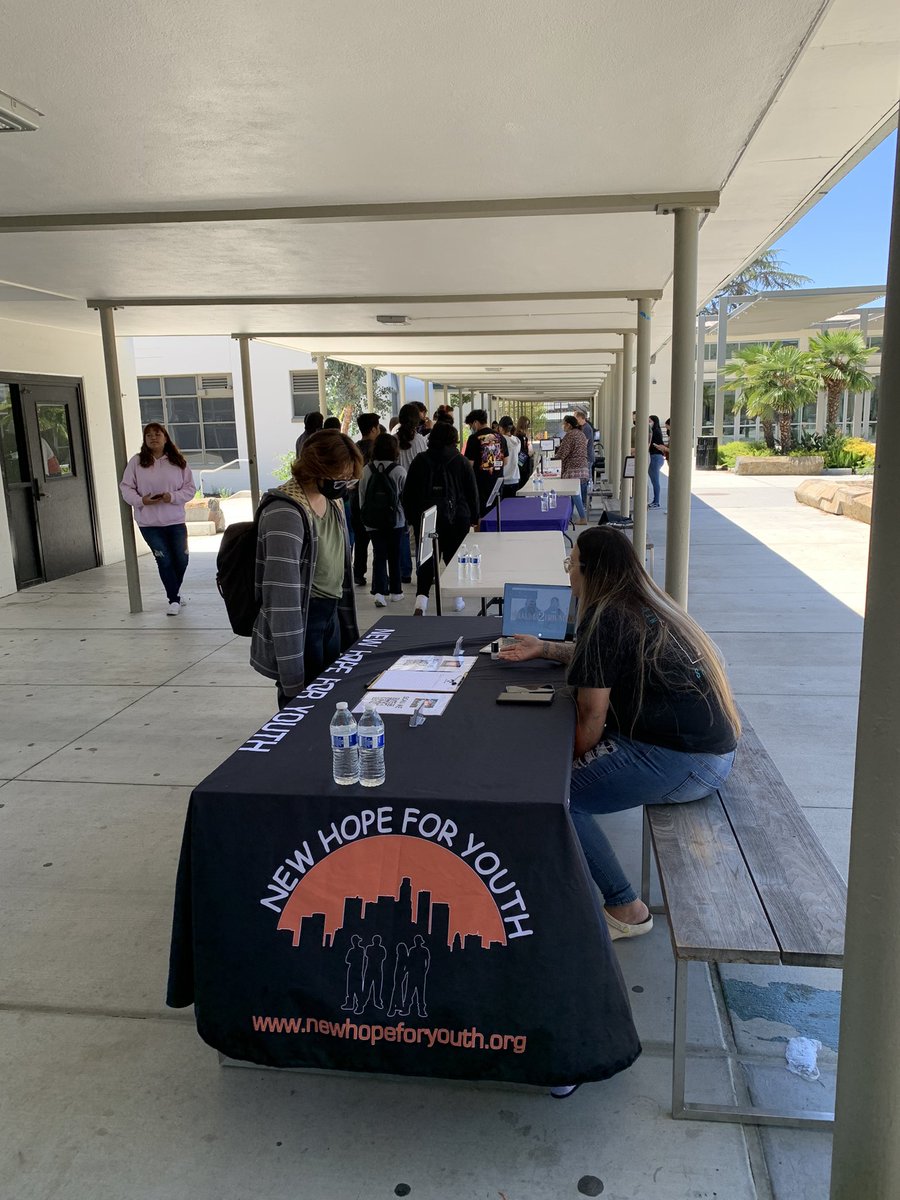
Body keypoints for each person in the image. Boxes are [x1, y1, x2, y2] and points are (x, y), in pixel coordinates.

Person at [500, 527, 739, 945]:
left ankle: (624, 908)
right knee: (559, 783)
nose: (568, 574)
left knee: (556, 797)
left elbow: (592, 716)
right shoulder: (644, 601)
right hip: (708, 751)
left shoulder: (606, 615)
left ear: (588, 571)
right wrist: (546, 649)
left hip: (686, 760)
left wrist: (560, 766)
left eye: (570, 565)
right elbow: (604, 656)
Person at [251, 430, 363, 708]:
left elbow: (341, 573)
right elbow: (282, 599)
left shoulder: (332, 502)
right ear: (316, 469)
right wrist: (292, 679)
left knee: (332, 705)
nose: (344, 485)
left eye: (348, 479)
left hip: (330, 616)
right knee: (303, 709)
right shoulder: (285, 513)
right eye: (340, 477)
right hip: (302, 621)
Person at [402, 420, 479, 616]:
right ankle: (457, 598)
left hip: (427, 517)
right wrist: (474, 517)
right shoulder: (460, 461)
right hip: (457, 517)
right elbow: (472, 492)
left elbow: (408, 493)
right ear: (453, 439)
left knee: (426, 558)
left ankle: (421, 601)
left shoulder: (420, 460)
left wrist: (413, 518)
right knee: (454, 557)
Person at [119, 423, 196, 615]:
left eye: (157, 434)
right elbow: (126, 487)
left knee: (182, 559)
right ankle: (174, 599)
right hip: (150, 524)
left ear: (165, 437)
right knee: (164, 560)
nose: (153, 438)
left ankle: (175, 591)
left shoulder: (178, 461)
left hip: (175, 521)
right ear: (144, 440)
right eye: (149, 435)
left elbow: (190, 489)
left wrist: (173, 497)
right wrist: (141, 501)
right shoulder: (136, 462)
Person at [358, 432, 408, 607]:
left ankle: (379, 592)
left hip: (372, 521)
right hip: (396, 520)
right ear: (394, 450)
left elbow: (362, 498)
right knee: (394, 554)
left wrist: (365, 520)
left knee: (379, 555)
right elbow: (405, 499)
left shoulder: (365, 471)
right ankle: (396, 591)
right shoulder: (399, 471)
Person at [395, 403, 428, 582]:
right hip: (418, 492)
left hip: (399, 492)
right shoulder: (421, 440)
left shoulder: (393, 440)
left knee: (403, 533)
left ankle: (404, 572)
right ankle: (422, 571)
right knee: (421, 534)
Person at [349, 413, 382, 586]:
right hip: (375, 500)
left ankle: (358, 573)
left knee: (361, 539)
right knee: (378, 540)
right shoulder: (377, 449)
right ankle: (380, 576)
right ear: (373, 429)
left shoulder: (353, 448)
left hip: (356, 500)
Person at [463, 409, 508, 517]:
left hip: (480, 484)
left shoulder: (473, 438)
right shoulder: (500, 437)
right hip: (497, 483)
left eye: (470, 425)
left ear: (475, 422)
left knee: (480, 515)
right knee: (496, 514)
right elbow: (505, 461)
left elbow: (469, 464)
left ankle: (481, 533)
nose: (471, 428)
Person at [553, 415, 589, 524]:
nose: (563, 426)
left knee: (574, 493)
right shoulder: (581, 434)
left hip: (573, 468)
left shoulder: (570, 435)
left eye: (564, 424)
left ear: (569, 425)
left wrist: (553, 459)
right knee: (573, 492)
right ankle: (569, 518)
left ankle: (583, 518)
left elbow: (563, 452)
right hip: (583, 466)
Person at [574, 408, 596, 514]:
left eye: (575, 417)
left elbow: (584, 443)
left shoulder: (586, 428)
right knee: (584, 480)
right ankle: (584, 502)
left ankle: (585, 503)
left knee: (585, 480)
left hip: (587, 457)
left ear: (580, 418)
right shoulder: (582, 427)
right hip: (585, 457)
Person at [497, 416, 522, 498]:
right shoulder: (517, 441)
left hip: (503, 479)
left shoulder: (500, 440)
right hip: (515, 477)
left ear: (500, 427)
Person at [648, 415, 667, 509]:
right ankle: (655, 500)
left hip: (655, 457)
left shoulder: (655, 432)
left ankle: (656, 501)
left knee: (655, 480)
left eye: (650, 421)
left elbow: (653, 444)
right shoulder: (656, 431)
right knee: (654, 480)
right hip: (655, 457)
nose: (648, 423)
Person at [515, 415, 534, 488]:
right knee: (523, 481)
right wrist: (528, 454)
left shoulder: (524, 436)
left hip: (524, 462)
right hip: (522, 463)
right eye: (526, 425)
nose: (527, 427)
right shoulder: (519, 436)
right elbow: (522, 450)